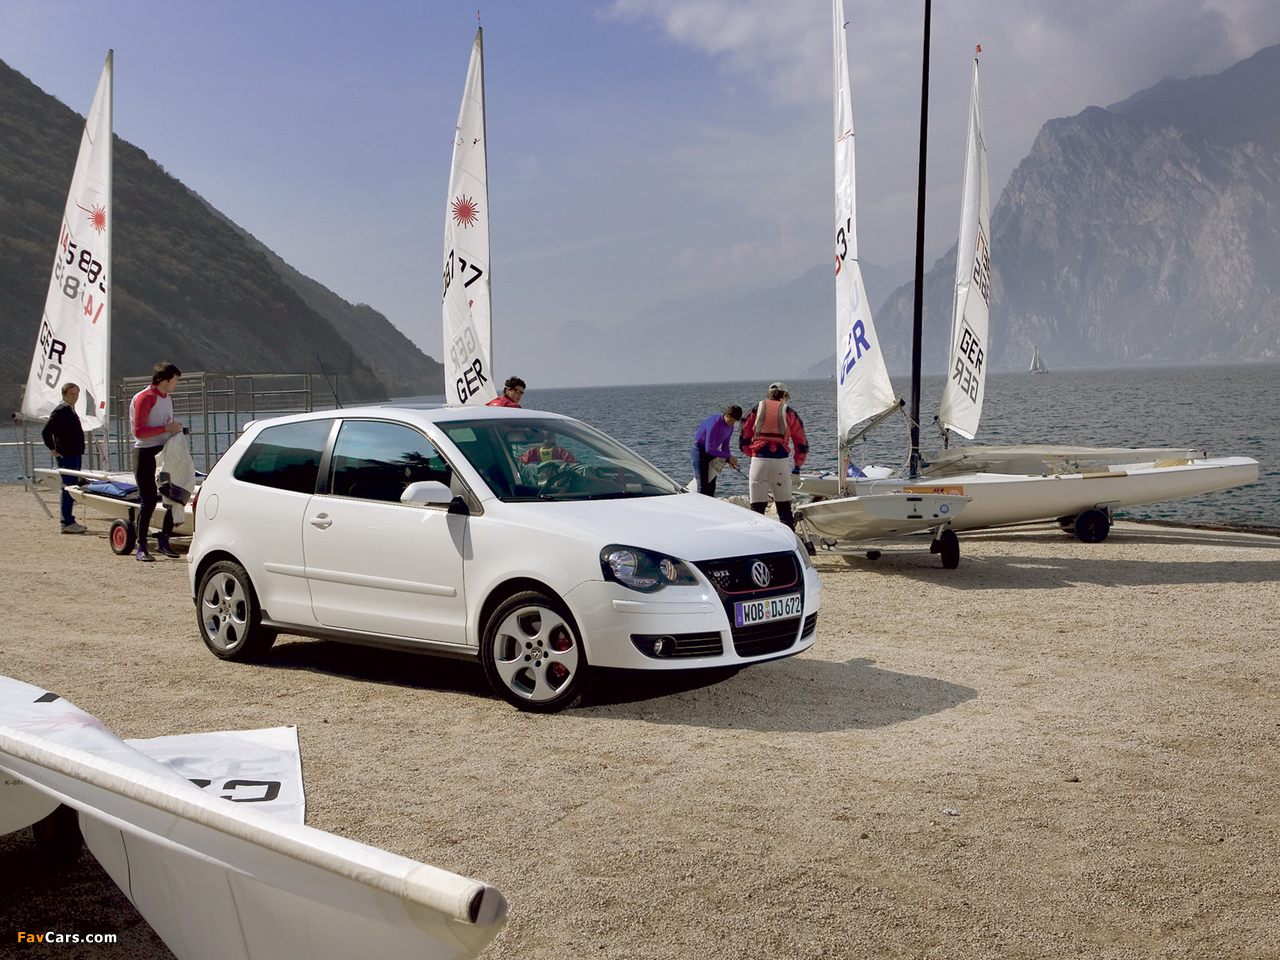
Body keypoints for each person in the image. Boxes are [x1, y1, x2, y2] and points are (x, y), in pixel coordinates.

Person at [131, 362, 184, 561]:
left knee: (173, 496)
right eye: (175, 379)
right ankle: (141, 545)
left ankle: (164, 540)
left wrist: (175, 430)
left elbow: (165, 424)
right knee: (149, 499)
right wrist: (167, 429)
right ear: (165, 379)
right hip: (145, 453)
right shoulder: (146, 397)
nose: (176, 383)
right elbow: (139, 432)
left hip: (164, 452)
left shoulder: (168, 399)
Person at [739, 381, 808, 529]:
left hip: (758, 462)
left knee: (756, 509)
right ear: (784, 396)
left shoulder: (755, 410)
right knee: (784, 509)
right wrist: (797, 467)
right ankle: (789, 537)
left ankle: (758, 538)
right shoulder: (789, 412)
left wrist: (751, 454)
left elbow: (743, 435)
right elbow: (801, 443)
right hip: (780, 464)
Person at [42, 382, 86, 534]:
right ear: (64, 395)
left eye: (77, 394)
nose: (75, 397)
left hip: (74, 454)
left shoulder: (70, 410)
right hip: (67, 456)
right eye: (72, 394)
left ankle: (68, 520)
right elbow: (46, 432)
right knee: (68, 488)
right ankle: (66, 522)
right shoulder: (60, 411)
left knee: (71, 487)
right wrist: (53, 450)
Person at [691, 405, 742, 496]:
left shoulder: (730, 427)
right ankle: (698, 504)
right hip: (699, 451)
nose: (732, 423)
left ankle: (709, 505)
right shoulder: (714, 423)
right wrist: (729, 457)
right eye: (731, 420)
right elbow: (709, 448)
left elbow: (725, 447)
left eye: (734, 421)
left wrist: (729, 460)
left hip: (712, 453)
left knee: (711, 487)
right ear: (726, 415)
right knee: (703, 486)